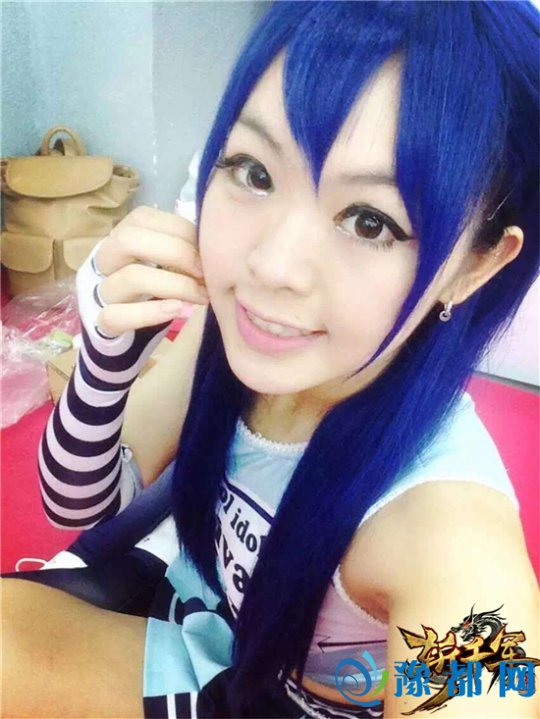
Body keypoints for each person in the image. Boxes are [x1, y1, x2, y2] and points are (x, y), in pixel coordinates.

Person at [3, 1, 539, 717]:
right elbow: (79, 503)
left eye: (370, 221)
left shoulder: (451, 535)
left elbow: (494, 678)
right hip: (210, 630)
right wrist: (107, 355)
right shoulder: (235, 337)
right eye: (254, 171)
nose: (272, 267)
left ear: (475, 266)